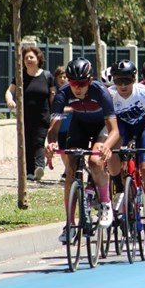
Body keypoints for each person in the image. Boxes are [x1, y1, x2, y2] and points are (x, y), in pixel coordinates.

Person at [45, 58, 120, 239]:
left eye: (82, 83)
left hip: (101, 127)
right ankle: (69, 224)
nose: (77, 88)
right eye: (73, 83)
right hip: (80, 126)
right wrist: (51, 144)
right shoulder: (62, 94)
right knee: (71, 169)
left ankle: (105, 202)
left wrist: (107, 147)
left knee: (95, 162)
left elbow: (114, 130)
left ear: (89, 80)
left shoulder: (100, 92)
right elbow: (53, 130)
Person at [106, 60, 145, 247]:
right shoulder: (110, 95)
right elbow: (108, 128)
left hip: (143, 129)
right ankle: (118, 188)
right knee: (113, 149)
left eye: (127, 81)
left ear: (134, 79)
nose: (122, 85)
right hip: (121, 129)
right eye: (118, 81)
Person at [5, 45, 56, 181]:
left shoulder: (47, 76)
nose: (28, 59)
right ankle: (29, 172)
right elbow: (10, 91)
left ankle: (39, 167)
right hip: (25, 117)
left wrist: (55, 109)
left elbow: (52, 95)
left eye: (31, 57)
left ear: (38, 59)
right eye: (26, 57)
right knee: (26, 142)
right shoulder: (20, 76)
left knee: (38, 142)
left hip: (43, 116)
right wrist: (10, 100)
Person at [53, 66, 72, 183]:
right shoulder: (54, 92)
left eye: (64, 77)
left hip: (71, 126)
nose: (62, 79)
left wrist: (66, 109)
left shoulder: (71, 92)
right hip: (60, 127)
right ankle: (67, 168)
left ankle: (68, 171)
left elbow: (74, 107)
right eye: (60, 76)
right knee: (62, 150)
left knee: (70, 150)